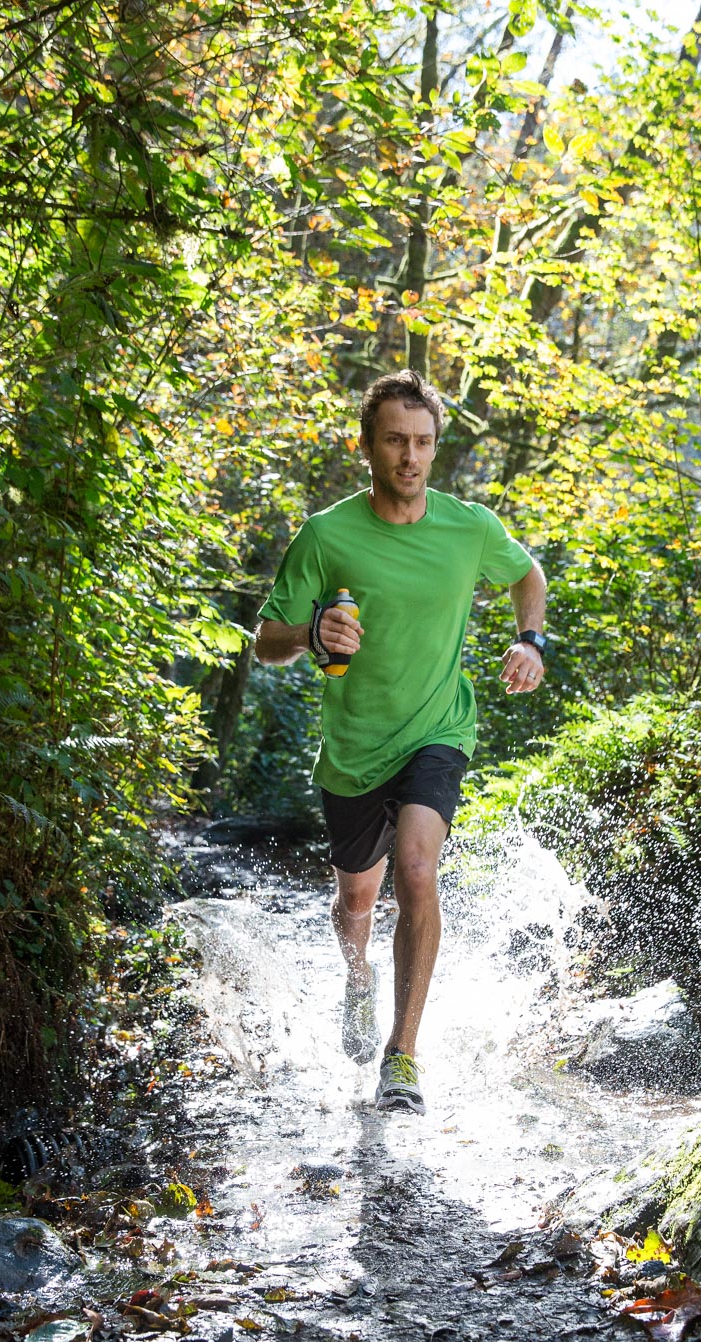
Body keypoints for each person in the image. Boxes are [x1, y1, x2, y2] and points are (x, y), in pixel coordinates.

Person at [255, 370, 547, 1115]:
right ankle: (358, 978)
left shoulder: (469, 526)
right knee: (358, 899)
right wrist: (313, 630)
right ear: (369, 446)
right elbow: (268, 644)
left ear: (435, 447)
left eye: (422, 442)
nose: (410, 456)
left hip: (437, 729)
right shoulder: (328, 534)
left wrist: (531, 641)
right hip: (353, 746)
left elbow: (527, 575)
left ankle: (403, 1055)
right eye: (395, 440)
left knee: (417, 867)